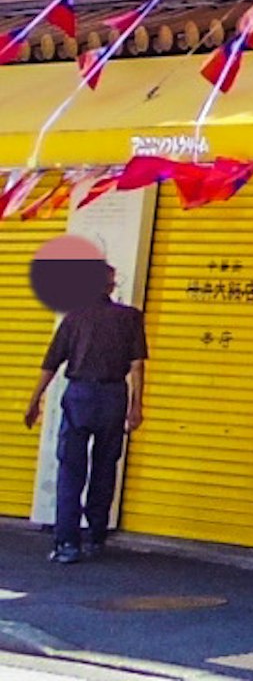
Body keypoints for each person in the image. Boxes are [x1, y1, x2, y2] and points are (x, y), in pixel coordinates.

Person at [20, 238, 147, 564]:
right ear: (111, 285)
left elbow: (51, 364)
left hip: (79, 396)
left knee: (71, 470)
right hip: (112, 396)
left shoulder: (73, 318)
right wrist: (136, 406)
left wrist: (34, 401)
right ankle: (96, 538)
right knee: (105, 468)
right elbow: (136, 366)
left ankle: (67, 544)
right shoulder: (130, 318)